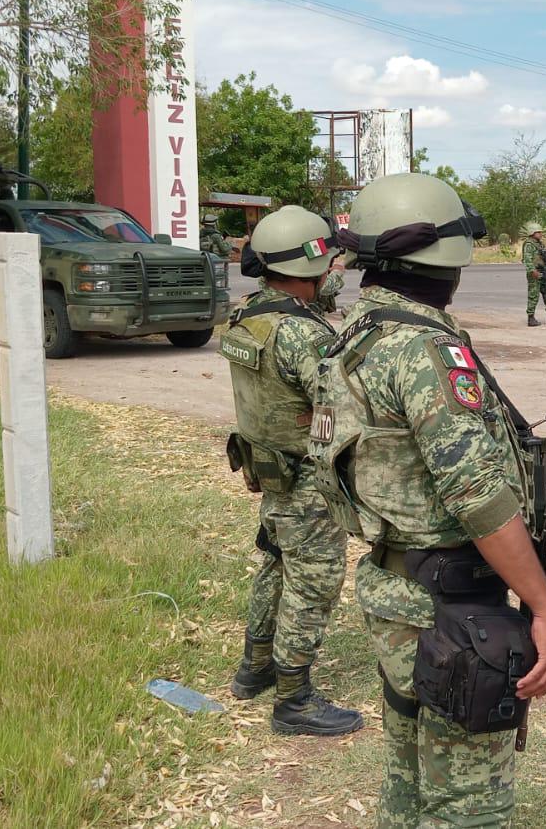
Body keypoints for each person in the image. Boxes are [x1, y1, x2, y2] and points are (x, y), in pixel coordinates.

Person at [307, 173, 546, 826]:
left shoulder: (354, 335)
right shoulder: (424, 350)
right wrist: (542, 606)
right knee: (467, 806)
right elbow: (477, 495)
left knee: (408, 772)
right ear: (447, 258)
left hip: (398, 589)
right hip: (451, 610)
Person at [219, 205, 363, 736]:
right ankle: (294, 698)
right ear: (309, 267)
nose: (333, 271)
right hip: (307, 480)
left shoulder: (247, 315)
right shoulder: (304, 334)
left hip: (269, 469)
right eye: (328, 262)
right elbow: (340, 410)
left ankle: (253, 672)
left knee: (276, 568)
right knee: (314, 582)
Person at [521, 222, 546, 327]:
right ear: (532, 233)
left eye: (540, 232)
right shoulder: (529, 245)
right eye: (538, 232)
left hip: (544, 272)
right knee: (533, 295)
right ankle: (531, 318)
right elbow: (527, 259)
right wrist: (532, 271)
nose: (541, 234)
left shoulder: (540, 244)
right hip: (535, 272)